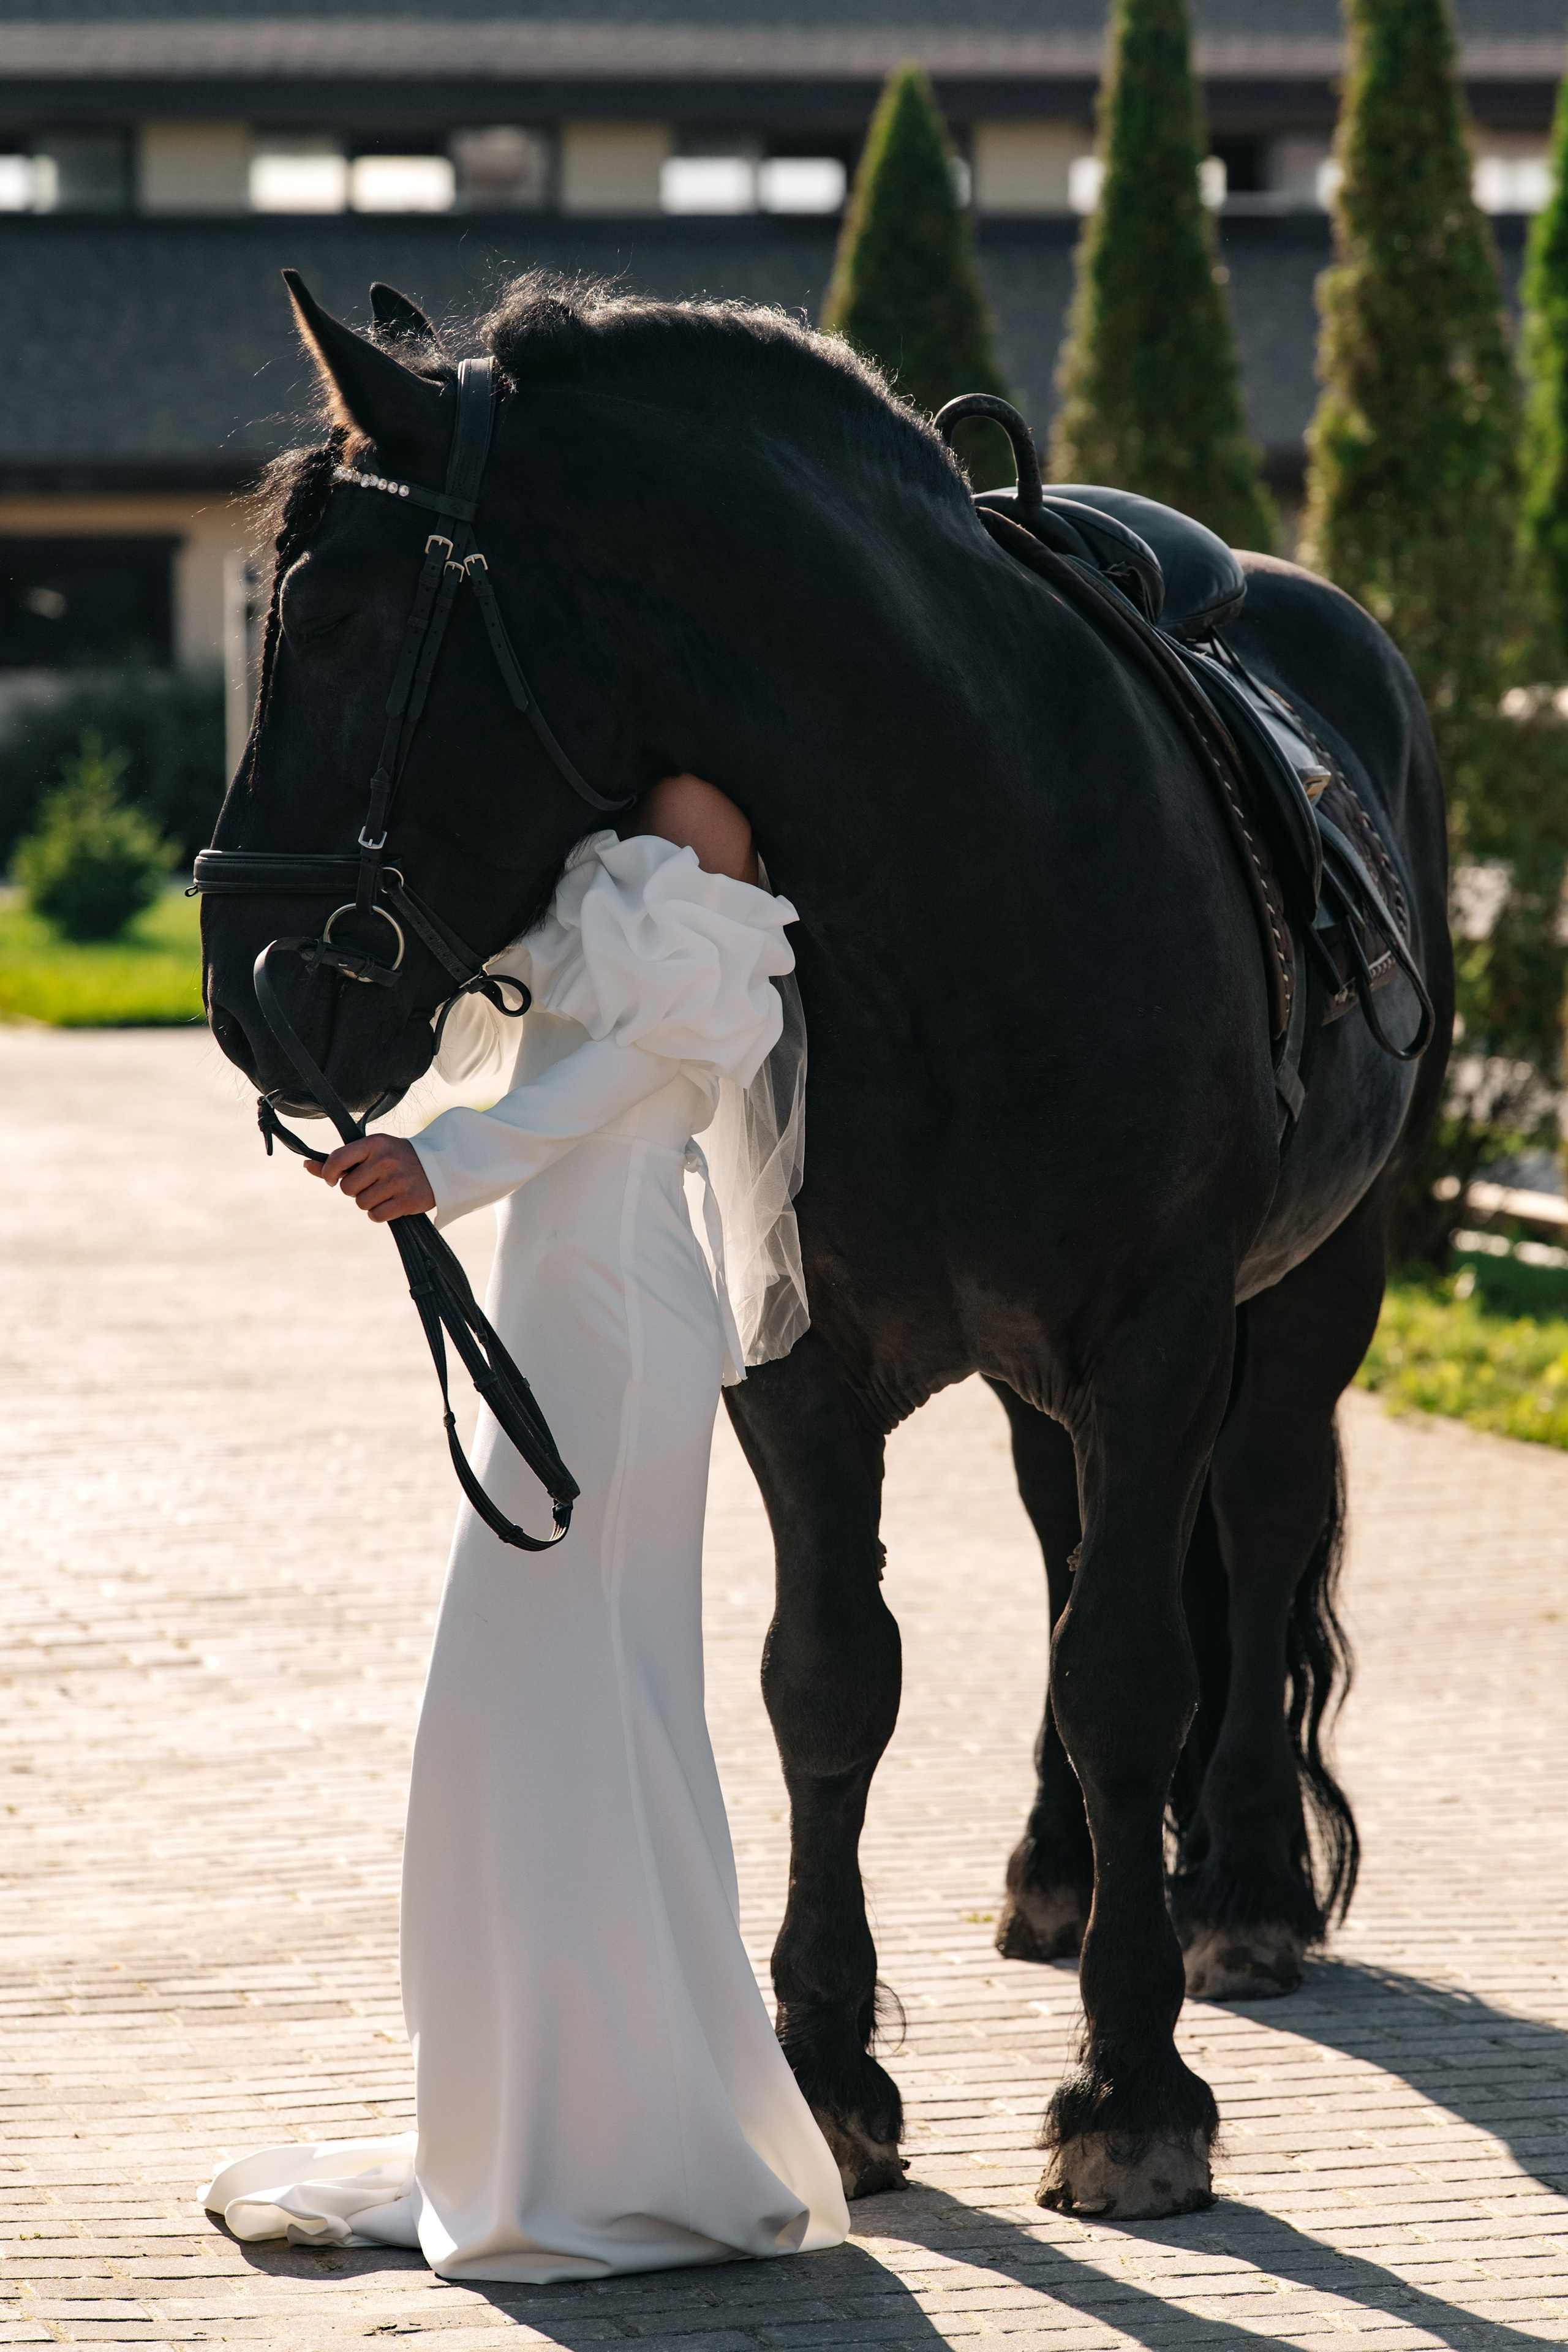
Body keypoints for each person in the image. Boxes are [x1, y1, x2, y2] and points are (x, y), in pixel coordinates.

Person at [203, 775, 848, 2283]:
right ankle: (551, 2121)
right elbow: (512, 1018)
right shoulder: (587, 822)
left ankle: (625, 2146)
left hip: (620, 1305)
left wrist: (453, 1160)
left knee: (578, 1705)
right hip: (557, 1298)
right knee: (522, 1715)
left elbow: (652, 1065)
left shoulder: (697, 817)